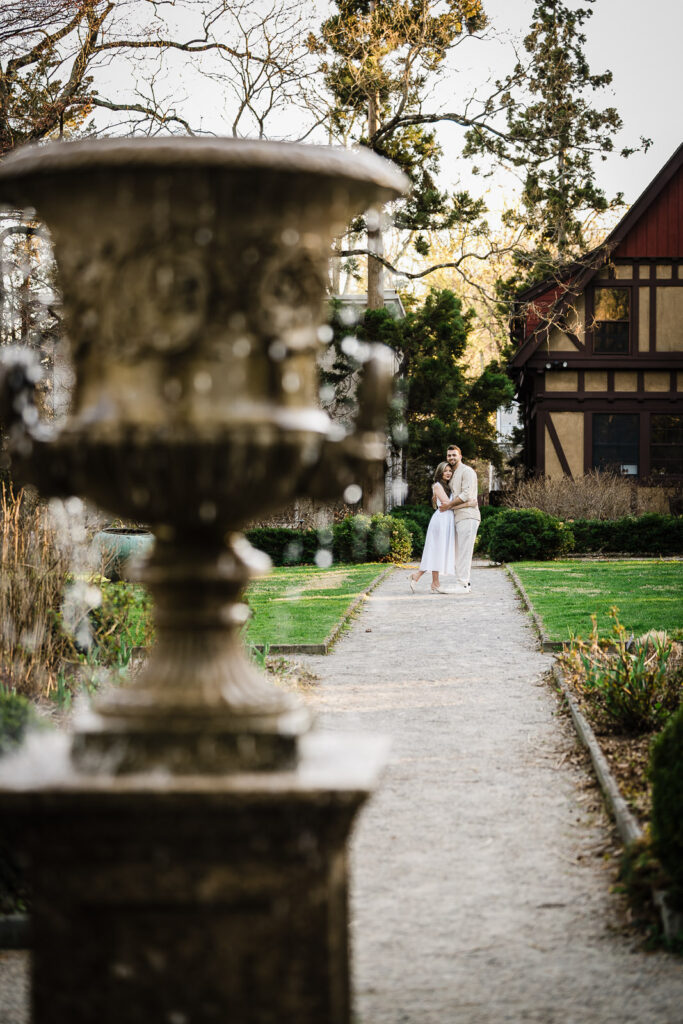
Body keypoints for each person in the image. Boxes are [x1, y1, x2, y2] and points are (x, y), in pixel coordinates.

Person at [438, 444, 480, 594]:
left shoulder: (467, 471)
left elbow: (467, 494)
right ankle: (464, 583)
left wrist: (449, 505)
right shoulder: (451, 474)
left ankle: (462, 584)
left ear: (460, 456)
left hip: (468, 516)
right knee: (458, 552)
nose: (451, 458)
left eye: (454, 455)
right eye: (449, 455)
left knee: (464, 552)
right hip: (457, 517)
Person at [408, 462, 456, 594]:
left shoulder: (449, 485)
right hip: (441, 520)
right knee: (436, 550)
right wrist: (464, 503)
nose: (448, 473)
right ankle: (434, 582)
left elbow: (450, 504)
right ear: (440, 472)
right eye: (445, 471)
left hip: (447, 520)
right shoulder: (437, 485)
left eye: (450, 471)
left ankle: (421, 577)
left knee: (438, 551)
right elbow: (446, 503)